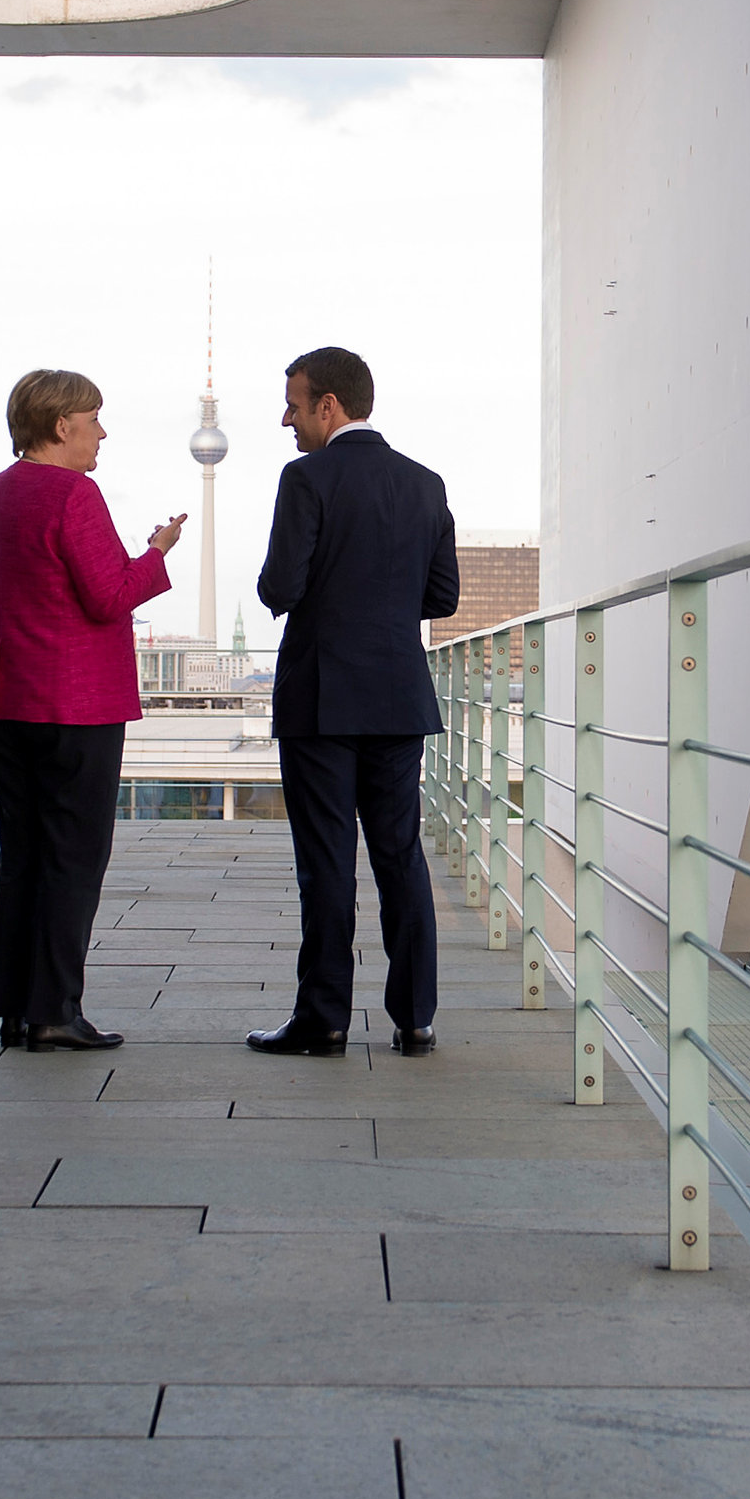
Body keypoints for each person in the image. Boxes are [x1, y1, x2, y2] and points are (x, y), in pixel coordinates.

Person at [247, 345, 458, 1057]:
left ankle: (325, 1018)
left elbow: (279, 588)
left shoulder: (306, 478)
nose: (288, 418)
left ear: (328, 405)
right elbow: (444, 596)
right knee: (401, 854)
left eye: (295, 404)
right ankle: (417, 1017)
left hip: (321, 697)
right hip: (399, 695)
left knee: (327, 859)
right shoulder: (425, 484)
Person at [0, 369, 182, 1051]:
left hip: (7, 696)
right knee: (73, 856)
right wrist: (156, 552)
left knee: (23, 854)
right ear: (61, 425)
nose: (102, 431)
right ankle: (56, 1008)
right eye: (94, 417)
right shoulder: (74, 492)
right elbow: (106, 594)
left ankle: (16, 1008)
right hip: (74, 702)